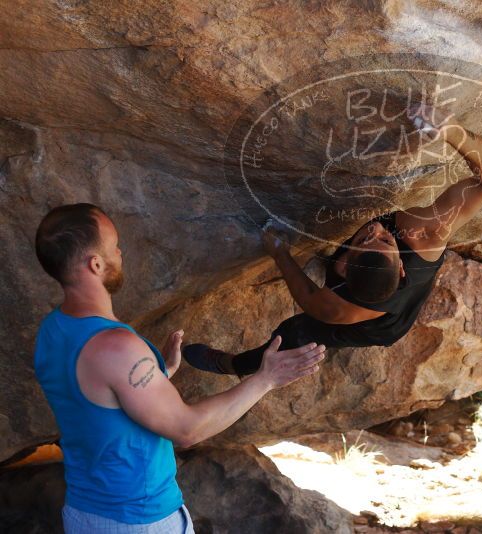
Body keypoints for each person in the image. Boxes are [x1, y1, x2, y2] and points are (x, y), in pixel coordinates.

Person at [33, 204, 325, 533]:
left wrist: (159, 376)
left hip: (85, 511)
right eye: (113, 245)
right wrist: (265, 379)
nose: (119, 251)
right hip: (137, 520)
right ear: (95, 264)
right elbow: (187, 430)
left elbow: (95, 399)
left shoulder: (52, 331)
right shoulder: (116, 347)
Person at [184, 103, 482, 376]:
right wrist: (453, 133)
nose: (374, 231)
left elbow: (311, 298)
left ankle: (230, 365)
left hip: (381, 328)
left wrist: (280, 254)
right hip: (384, 291)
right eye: (377, 240)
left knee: (293, 335)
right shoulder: (416, 234)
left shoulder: (341, 308)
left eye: (379, 240)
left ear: (342, 271)